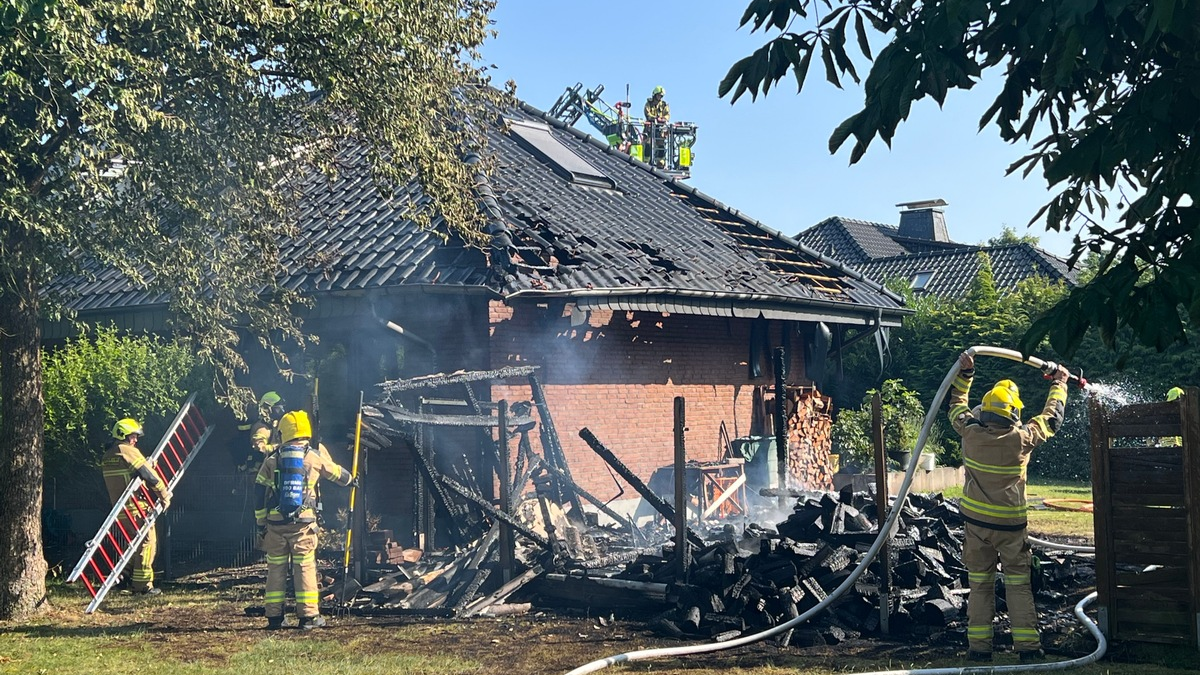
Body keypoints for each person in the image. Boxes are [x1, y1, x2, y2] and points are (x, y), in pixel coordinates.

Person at [949, 353, 1069, 662]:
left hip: (976, 528)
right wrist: (1059, 384)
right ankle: (1028, 650)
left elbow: (957, 405)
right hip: (1012, 531)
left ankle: (978, 650)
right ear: (1014, 413)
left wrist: (967, 373)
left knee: (979, 586)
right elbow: (1052, 418)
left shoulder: (970, 433)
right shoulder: (1023, 438)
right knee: (1018, 587)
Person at [255, 410, 353, 629]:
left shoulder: (273, 459)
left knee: (276, 570)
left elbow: (258, 491)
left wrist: (261, 523)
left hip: (275, 524)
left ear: (283, 433)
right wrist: (351, 479)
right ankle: (308, 618)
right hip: (303, 525)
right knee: (305, 568)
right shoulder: (313, 456)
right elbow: (337, 474)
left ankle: (274, 617)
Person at [101, 418, 172, 595]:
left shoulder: (109, 455)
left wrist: (146, 465)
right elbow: (150, 477)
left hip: (120, 510)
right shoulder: (127, 451)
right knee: (147, 543)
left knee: (133, 545)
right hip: (136, 508)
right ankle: (143, 586)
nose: (136, 440)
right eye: (133, 436)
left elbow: (130, 476)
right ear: (123, 435)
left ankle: (122, 577)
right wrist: (164, 496)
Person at [235, 391, 286, 471]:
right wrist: (281, 447)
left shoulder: (273, 425)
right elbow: (259, 447)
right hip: (259, 472)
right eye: (278, 408)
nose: (282, 410)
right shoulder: (261, 427)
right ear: (268, 408)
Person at [643, 86, 670, 167]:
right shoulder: (649, 103)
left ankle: (660, 162)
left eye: (661, 96)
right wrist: (655, 118)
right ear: (654, 95)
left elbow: (667, 115)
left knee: (661, 146)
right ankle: (646, 162)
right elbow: (647, 113)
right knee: (648, 144)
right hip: (649, 128)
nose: (660, 97)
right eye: (659, 95)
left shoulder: (664, 105)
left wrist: (663, 119)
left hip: (660, 129)